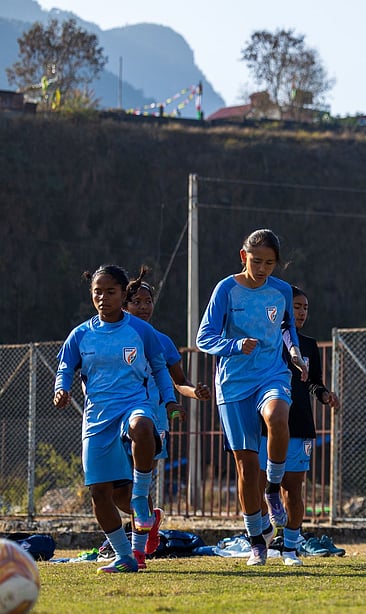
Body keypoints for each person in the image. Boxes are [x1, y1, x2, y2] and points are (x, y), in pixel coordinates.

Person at [54, 264, 176, 573]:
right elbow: (66, 368)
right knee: (100, 493)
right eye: (98, 292)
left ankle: (140, 499)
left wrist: (171, 400)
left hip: (134, 405)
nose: (103, 298)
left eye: (110, 292)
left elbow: (160, 367)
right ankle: (125, 556)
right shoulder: (80, 334)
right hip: (97, 418)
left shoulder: (140, 330)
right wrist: (61, 389)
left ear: (123, 295)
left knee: (142, 426)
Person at [197, 229, 306, 566]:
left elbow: (288, 326)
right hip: (233, 384)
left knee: (277, 417)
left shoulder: (282, 291)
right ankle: (256, 540)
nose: (262, 268)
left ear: (278, 263)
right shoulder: (225, 289)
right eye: (256, 261)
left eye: (269, 263)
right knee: (245, 468)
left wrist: (295, 353)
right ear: (243, 257)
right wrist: (233, 346)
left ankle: (273, 487)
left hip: (271, 374)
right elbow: (204, 337)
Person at [123, 268, 212, 567]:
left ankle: (137, 549)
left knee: (139, 480)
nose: (145, 306)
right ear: (124, 304)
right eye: (138, 301)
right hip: (115, 415)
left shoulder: (161, 340)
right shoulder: (108, 336)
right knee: (116, 486)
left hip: (152, 419)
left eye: (149, 301)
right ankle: (148, 521)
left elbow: (178, 382)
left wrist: (193, 393)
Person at [257, 286, 342, 566]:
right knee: (259, 485)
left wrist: (324, 394)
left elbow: (314, 381)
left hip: (300, 424)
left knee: (293, 488)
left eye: (305, 307)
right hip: (264, 426)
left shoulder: (308, 345)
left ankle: (291, 549)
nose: (302, 312)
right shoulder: (266, 342)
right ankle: (263, 535)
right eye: (296, 306)